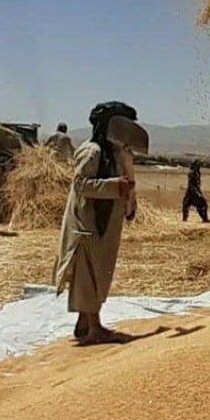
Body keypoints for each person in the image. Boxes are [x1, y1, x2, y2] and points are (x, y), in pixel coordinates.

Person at [53, 102, 146, 346]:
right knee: (88, 271)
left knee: (100, 271)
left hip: (106, 221)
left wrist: (129, 202)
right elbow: (81, 184)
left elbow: (126, 181)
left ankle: (86, 323)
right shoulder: (91, 151)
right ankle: (94, 328)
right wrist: (115, 186)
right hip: (87, 220)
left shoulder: (117, 153)